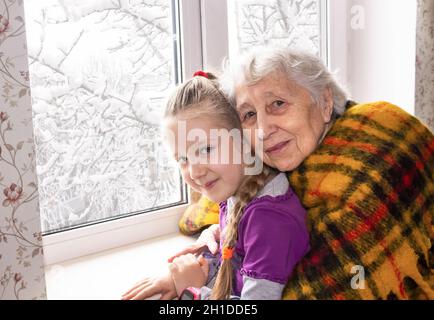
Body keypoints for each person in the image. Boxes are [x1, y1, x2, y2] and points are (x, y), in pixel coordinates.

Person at [169, 46, 434, 300]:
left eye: (278, 103)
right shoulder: (276, 168)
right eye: (249, 114)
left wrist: (191, 290)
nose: (262, 129)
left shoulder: (369, 167)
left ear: (325, 102)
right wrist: (220, 237)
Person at [121, 71, 310, 300]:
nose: (195, 171)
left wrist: (191, 289)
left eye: (206, 149)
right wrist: (179, 276)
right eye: (183, 159)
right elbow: (235, 264)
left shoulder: (270, 222)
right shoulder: (238, 192)